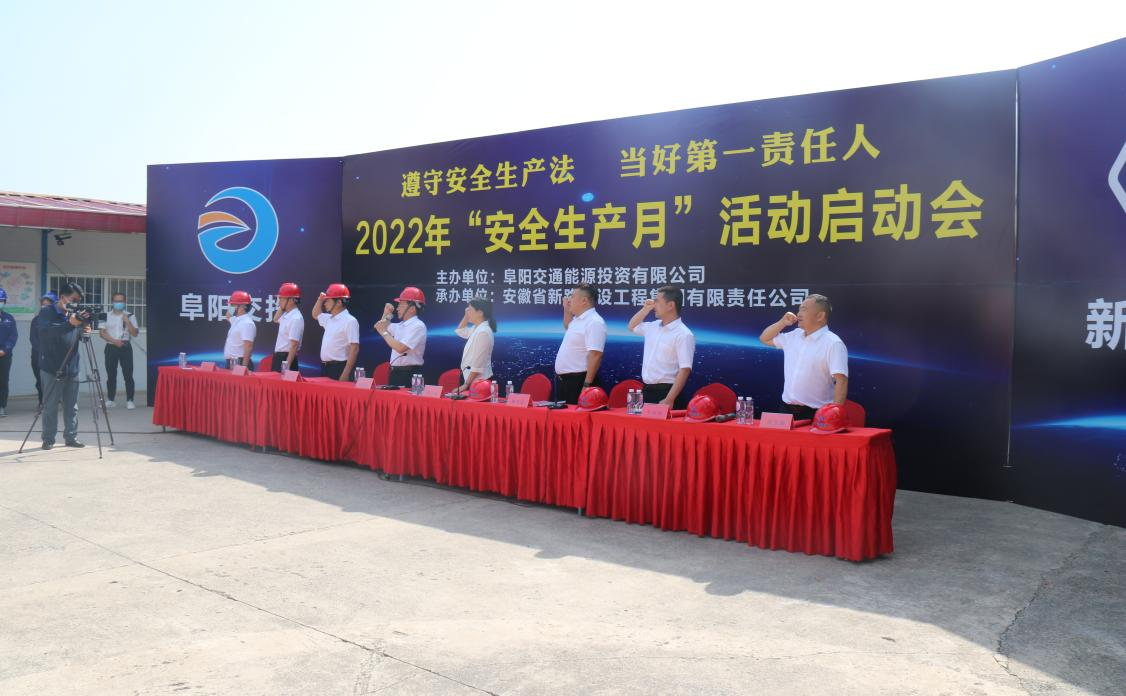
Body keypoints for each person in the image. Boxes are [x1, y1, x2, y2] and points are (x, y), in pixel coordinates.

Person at [758, 293, 849, 421]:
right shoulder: (794, 335)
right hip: (786, 409)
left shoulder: (833, 343)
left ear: (820, 316)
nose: (798, 314)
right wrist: (782, 322)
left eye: (804, 310)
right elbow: (765, 338)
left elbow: (841, 381)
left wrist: (834, 416)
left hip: (817, 413)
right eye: (799, 309)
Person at [37, 282, 89, 449]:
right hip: (52, 367)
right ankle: (48, 439)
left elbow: (79, 333)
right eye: (73, 299)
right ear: (62, 297)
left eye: (78, 301)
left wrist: (85, 331)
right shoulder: (47, 312)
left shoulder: (75, 314)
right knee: (50, 405)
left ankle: (71, 437)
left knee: (72, 406)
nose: (75, 303)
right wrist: (70, 324)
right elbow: (46, 332)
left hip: (72, 367)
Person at [627, 285, 695, 409]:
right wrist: (645, 309)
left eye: (657, 301)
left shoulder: (684, 334)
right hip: (646, 390)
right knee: (639, 421)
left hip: (666, 393)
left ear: (670, 305)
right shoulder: (653, 326)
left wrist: (669, 399)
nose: (654, 304)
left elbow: (685, 370)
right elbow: (631, 327)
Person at [554, 283, 606, 405]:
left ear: (584, 301)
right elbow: (568, 326)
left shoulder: (594, 322)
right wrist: (567, 310)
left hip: (578, 382)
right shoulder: (578, 319)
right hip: (565, 382)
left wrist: (586, 385)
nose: (569, 299)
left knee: (576, 416)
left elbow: (596, 355)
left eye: (572, 296)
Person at [374, 286, 427, 388]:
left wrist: (384, 332)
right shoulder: (401, 325)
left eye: (401, 305)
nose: (397, 308)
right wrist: (386, 314)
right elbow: (382, 326)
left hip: (410, 374)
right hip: (395, 373)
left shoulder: (418, 326)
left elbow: (400, 348)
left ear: (412, 309)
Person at [99, 291, 139, 409]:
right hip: (111, 347)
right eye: (116, 301)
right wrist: (114, 341)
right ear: (112, 302)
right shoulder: (104, 315)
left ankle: (130, 400)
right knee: (111, 374)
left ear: (125, 302)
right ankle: (111, 399)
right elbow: (102, 333)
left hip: (125, 347)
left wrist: (127, 322)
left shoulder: (130, 316)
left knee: (128, 374)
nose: (118, 303)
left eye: (121, 301)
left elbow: (135, 333)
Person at [311, 283, 359, 381]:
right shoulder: (329, 318)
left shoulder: (350, 321)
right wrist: (320, 300)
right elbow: (315, 315)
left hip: (339, 368)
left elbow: (354, 348)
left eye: (328, 300)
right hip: (325, 367)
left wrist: (346, 373)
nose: (325, 303)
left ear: (339, 302)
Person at [453, 298, 495, 393]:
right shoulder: (476, 328)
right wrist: (466, 317)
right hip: (474, 380)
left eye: (470, 310)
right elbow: (460, 331)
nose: (467, 312)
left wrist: (466, 385)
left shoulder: (483, 332)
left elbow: (477, 365)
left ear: (480, 312)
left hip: (480, 383)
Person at [29, 292, 57, 405]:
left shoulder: (58, 319)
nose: (44, 307)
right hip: (38, 355)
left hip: (54, 355)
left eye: (48, 305)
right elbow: (33, 338)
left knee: (55, 380)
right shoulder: (36, 320)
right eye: (43, 304)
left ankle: (55, 400)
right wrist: (43, 351)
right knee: (40, 380)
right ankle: (42, 402)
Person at [271, 282, 304, 373]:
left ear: (292, 300)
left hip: (287, 358)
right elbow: (275, 319)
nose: (279, 302)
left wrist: (286, 366)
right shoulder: (287, 315)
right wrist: (282, 307)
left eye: (281, 299)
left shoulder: (296, 318)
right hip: (279, 357)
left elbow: (294, 345)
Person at [223, 290, 256, 368]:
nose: (231, 307)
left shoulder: (247, 323)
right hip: (231, 362)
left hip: (240, 362)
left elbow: (248, 346)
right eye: (231, 305)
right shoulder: (237, 320)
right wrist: (233, 305)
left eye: (233, 305)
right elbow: (228, 316)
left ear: (243, 306)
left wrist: (244, 367)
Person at [0, 287, 16, 418]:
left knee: (3, 381)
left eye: (1, 300)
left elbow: (13, 336)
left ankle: (2, 406)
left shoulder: (9, 318)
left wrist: (4, 350)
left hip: (4, 355)